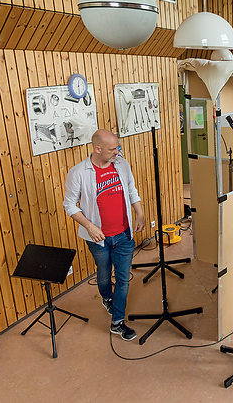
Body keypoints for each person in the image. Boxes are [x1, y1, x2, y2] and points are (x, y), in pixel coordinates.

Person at [63, 129, 145, 341]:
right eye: (112, 149)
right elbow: (69, 204)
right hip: (98, 240)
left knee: (123, 279)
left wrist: (140, 213)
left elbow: (131, 189)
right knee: (103, 274)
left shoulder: (122, 165)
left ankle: (117, 322)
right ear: (97, 149)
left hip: (124, 234)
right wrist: (89, 226)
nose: (117, 152)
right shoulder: (79, 172)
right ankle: (107, 298)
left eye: (117, 148)